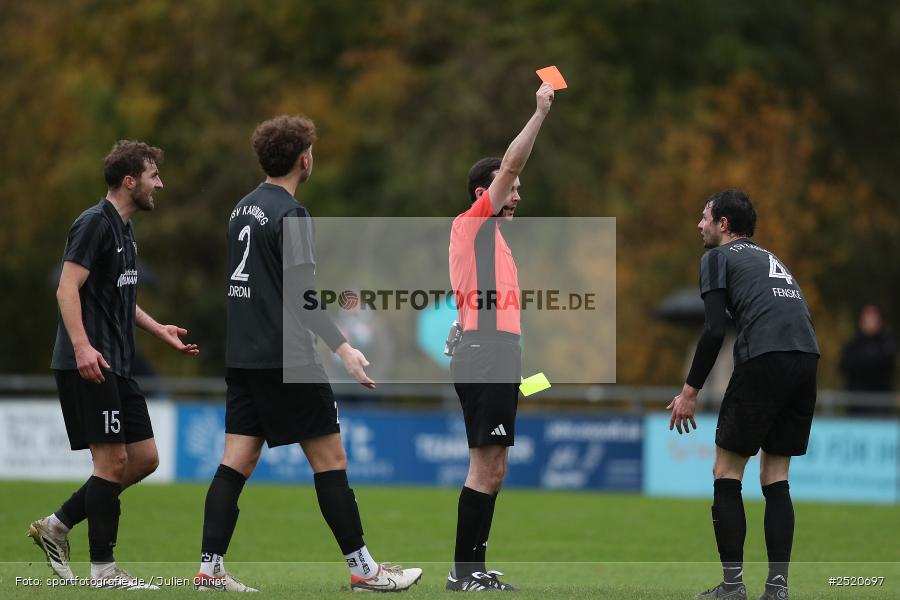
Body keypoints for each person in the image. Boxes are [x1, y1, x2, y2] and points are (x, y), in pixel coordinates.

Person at [194, 115, 422, 592]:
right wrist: (343, 347)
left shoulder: (240, 209)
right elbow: (302, 294)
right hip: (287, 357)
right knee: (331, 460)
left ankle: (209, 569)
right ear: (304, 158)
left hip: (244, 356)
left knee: (235, 461)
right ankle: (365, 570)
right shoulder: (292, 215)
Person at [29, 141, 199, 589]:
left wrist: (157, 327)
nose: (159, 183)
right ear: (130, 181)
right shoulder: (93, 224)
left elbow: (120, 295)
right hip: (89, 362)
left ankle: (58, 524)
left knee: (143, 459)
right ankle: (104, 571)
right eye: (153, 175)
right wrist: (83, 348)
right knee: (111, 463)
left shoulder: (125, 228)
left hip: (117, 363)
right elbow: (67, 289)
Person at [667, 190, 820, 600]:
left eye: (704, 217)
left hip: (764, 358)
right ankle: (778, 589)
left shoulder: (717, 258)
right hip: (806, 358)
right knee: (776, 477)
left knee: (726, 472)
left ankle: (733, 587)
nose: (699, 225)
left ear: (724, 225)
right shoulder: (771, 260)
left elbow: (715, 329)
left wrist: (689, 391)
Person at [445, 82, 554, 592]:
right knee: (485, 466)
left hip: (497, 356)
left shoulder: (495, 242)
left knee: (496, 466)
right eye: (509, 188)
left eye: (515, 190)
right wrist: (539, 111)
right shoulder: (474, 224)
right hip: (486, 358)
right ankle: (463, 573)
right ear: (482, 195)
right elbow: (512, 164)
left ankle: (473, 568)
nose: (516, 193)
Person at [839, 304, 896, 413]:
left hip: (881, 406)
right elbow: (843, 366)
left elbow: (887, 367)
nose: (871, 321)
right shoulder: (852, 344)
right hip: (855, 406)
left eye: (873, 318)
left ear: (880, 321)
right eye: (868, 317)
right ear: (861, 321)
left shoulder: (887, 344)